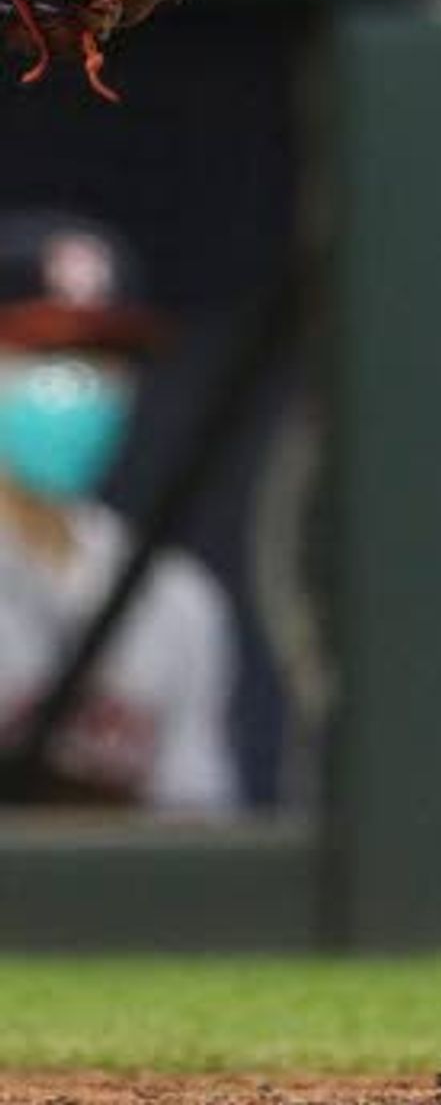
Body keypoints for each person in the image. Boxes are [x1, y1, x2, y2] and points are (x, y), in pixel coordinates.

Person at [0, 212, 240, 815]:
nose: (78, 383)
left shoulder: (173, 598)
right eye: (42, 350)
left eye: (103, 356)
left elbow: (192, 838)